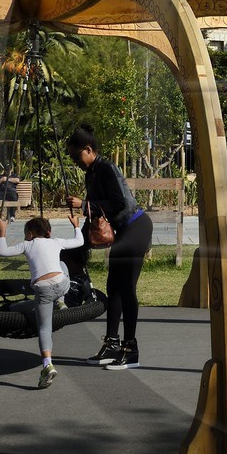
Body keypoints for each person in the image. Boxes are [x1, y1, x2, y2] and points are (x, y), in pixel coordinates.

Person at [66, 124, 153, 369]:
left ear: (88, 149)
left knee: (126, 288)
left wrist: (84, 203)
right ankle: (112, 344)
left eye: (76, 156)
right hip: (124, 230)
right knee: (113, 287)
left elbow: (117, 203)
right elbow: (97, 213)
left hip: (136, 226)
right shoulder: (91, 173)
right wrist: (77, 243)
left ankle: (131, 349)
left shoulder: (106, 168)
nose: (75, 161)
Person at [0, 212, 82, 389]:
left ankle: (47, 364)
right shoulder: (55, 241)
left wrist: (1, 231)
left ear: (31, 234)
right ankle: (61, 302)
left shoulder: (27, 245)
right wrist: (76, 225)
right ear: (47, 232)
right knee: (62, 265)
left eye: (26, 233)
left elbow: (2, 251)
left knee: (44, 327)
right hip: (61, 284)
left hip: (43, 290)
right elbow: (79, 241)